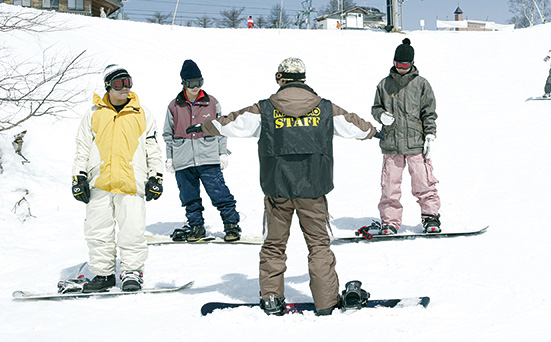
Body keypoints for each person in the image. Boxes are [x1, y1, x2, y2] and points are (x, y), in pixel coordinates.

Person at [187, 57, 376, 316]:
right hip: (313, 190)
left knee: (275, 245)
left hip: (277, 190)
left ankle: (273, 299)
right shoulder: (326, 109)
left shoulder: (264, 109)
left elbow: (232, 123)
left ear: (280, 78)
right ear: (304, 79)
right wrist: (374, 132)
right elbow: (357, 127)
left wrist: (205, 126)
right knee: (319, 246)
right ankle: (326, 302)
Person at [71, 64, 164, 293]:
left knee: (132, 230)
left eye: (128, 83)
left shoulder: (142, 113)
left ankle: (132, 272)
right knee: (97, 230)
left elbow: (152, 148)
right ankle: (103, 274)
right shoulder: (94, 114)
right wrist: (78, 177)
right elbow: (83, 147)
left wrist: (156, 177)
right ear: (108, 86)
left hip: (131, 182)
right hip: (99, 182)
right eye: (118, 84)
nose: (125, 88)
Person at [163, 59, 241, 242]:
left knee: (219, 193)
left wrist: (222, 153)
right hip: (183, 159)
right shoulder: (174, 106)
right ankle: (196, 227)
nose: (195, 87)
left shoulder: (212, 103)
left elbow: (222, 129)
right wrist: (170, 158)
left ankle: (231, 225)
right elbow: (168, 134)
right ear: (183, 83)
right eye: (191, 83)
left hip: (208, 157)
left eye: (199, 83)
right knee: (189, 197)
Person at [371, 38, 442, 235]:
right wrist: (381, 115)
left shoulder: (421, 85)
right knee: (389, 187)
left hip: (416, 144)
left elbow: (429, 112)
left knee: (424, 183)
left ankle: (431, 218)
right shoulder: (384, 85)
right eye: (398, 65)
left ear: (412, 64)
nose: (401, 68)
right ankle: (390, 222)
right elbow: (375, 107)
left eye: (405, 65)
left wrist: (429, 135)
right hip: (391, 144)